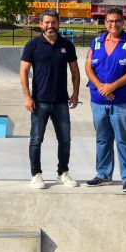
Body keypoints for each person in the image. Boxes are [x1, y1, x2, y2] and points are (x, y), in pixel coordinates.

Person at [85, 8, 126, 193]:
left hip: (124, 101)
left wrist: (113, 86)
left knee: (124, 140)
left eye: (117, 21)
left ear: (123, 22)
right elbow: (88, 68)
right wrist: (102, 87)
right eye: (110, 21)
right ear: (105, 23)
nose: (114, 24)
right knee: (102, 139)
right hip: (98, 101)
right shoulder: (96, 42)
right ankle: (103, 175)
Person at [20, 10, 80, 189]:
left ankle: (63, 172)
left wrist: (75, 94)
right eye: (46, 23)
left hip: (61, 101)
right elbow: (23, 72)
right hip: (39, 102)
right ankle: (36, 174)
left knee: (65, 139)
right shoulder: (32, 45)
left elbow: (75, 71)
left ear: (58, 24)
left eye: (53, 22)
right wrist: (27, 96)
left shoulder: (67, 45)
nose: (50, 26)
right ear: (41, 24)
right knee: (36, 139)